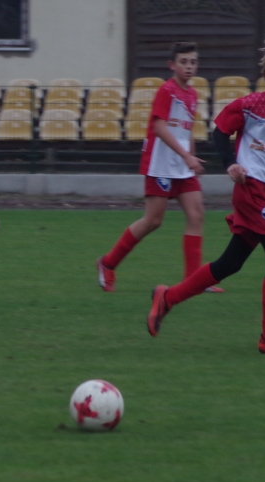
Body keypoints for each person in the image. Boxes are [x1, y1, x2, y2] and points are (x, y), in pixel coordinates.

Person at [147, 39, 265, 355]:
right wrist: (231, 162)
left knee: (231, 263)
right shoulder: (251, 105)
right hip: (251, 190)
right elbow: (219, 131)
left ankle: (167, 297)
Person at [97, 42, 222, 294]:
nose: (189, 66)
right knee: (153, 220)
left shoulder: (193, 94)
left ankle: (192, 281)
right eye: (184, 62)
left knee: (197, 215)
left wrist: (192, 160)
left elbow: (187, 130)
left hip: (182, 165)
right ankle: (107, 263)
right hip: (161, 164)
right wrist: (186, 155)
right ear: (172, 65)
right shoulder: (167, 90)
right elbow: (159, 127)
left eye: (193, 62)